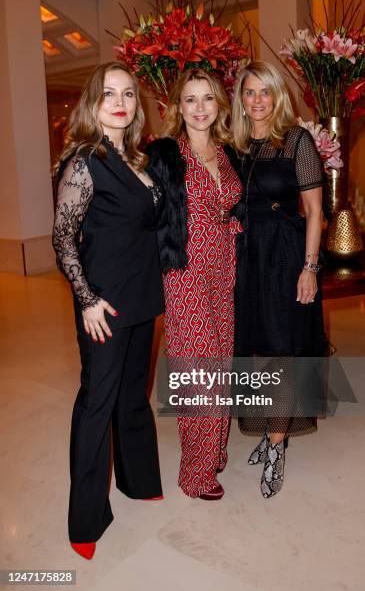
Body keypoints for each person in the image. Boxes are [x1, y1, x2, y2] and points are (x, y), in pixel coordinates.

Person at [52, 61, 164, 559]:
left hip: (142, 295)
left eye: (128, 94)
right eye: (108, 94)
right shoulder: (84, 160)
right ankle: (85, 520)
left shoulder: (140, 159)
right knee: (97, 403)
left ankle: (138, 481)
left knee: (134, 396)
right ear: (92, 103)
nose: (120, 102)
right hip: (105, 301)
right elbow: (63, 240)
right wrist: (87, 300)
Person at [145, 69, 243, 500]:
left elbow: (233, 205)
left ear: (219, 104)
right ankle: (195, 473)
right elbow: (144, 213)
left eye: (207, 98)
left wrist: (235, 225)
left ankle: (214, 449)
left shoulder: (226, 153)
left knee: (220, 362)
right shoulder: (166, 154)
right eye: (190, 100)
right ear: (177, 107)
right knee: (197, 369)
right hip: (184, 271)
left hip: (224, 267)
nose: (200, 108)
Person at [231, 60, 327, 498]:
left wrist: (309, 268)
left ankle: (275, 445)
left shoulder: (296, 141)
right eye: (249, 92)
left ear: (277, 95)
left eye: (264, 92)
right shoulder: (231, 144)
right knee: (255, 349)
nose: (257, 101)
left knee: (282, 351)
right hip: (245, 258)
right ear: (240, 98)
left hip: (285, 257)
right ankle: (274, 427)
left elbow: (315, 212)